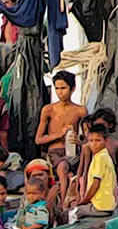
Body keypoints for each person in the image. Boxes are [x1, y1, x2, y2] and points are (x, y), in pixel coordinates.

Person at [35, 71, 86, 204]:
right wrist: (59, 134)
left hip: (73, 153)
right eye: (57, 88)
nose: (59, 92)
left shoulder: (80, 111)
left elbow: (88, 138)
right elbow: (38, 139)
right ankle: (64, 204)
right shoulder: (48, 110)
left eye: (63, 88)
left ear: (73, 88)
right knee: (63, 168)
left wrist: (80, 142)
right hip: (54, 154)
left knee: (70, 174)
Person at [69, 125, 117, 222]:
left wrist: (84, 201)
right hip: (107, 205)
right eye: (91, 141)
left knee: (72, 212)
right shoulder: (104, 155)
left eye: (98, 140)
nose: (94, 144)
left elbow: (95, 184)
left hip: (100, 206)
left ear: (106, 141)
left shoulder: (100, 158)